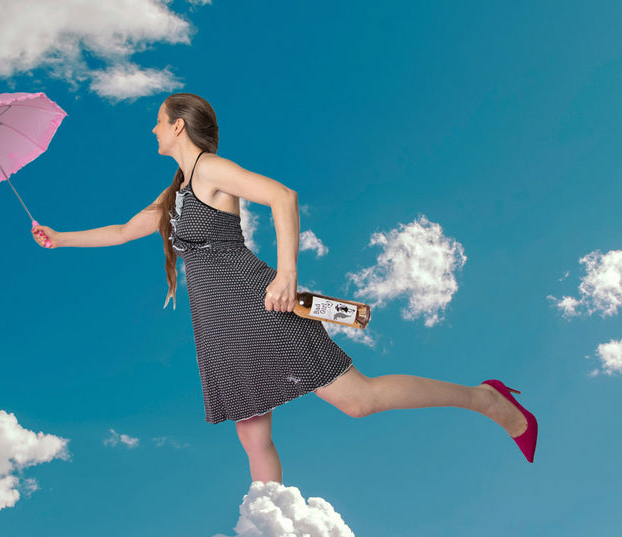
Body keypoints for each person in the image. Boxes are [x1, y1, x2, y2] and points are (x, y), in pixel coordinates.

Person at [32, 93, 537, 483]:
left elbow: (282, 196)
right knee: (251, 431)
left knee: (357, 400)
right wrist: (58, 238)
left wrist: (287, 273)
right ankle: (265, 531)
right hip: (221, 323)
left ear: (178, 126)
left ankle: (483, 399)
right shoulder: (179, 190)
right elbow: (123, 231)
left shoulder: (211, 171)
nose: (153, 129)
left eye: (159, 121)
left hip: (261, 304)